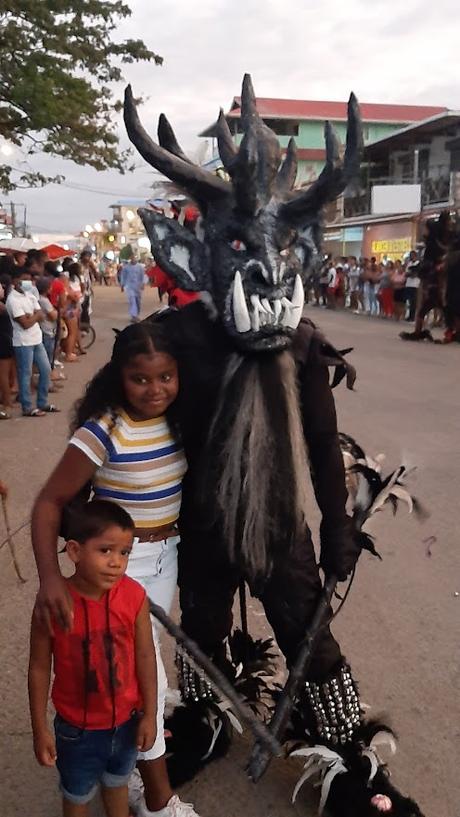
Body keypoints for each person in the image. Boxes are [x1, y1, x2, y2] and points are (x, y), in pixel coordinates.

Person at [119, 76, 423, 815]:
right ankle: (208, 712)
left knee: (306, 632)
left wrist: (338, 523)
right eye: (237, 243)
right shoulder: (176, 341)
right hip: (202, 522)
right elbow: (115, 422)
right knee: (202, 624)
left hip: (280, 526)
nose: (264, 260)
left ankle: (348, 751)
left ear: (306, 251)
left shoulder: (302, 343)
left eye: (283, 243)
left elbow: (322, 444)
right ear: (192, 256)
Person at [31, 322, 199, 817]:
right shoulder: (104, 429)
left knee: (141, 668)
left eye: (166, 376)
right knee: (145, 676)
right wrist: (49, 581)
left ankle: (120, 768)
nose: (155, 389)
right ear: (118, 378)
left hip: (166, 555)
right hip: (118, 567)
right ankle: (160, 798)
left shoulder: (180, 420)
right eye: (140, 379)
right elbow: (49, 503)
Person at [28, 500, 157, 817]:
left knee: (118, 785)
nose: (117, 562)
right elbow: (39, 667)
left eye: (124, 552)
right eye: (105, 550)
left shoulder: (134, 596)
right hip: (77, 731)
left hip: (127, 722)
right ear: (74, 551)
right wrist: (39, 729)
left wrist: (151, 713)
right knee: (77, 796)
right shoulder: (54, 604)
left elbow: (145, 655)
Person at [5, 267, 58, 417]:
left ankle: (42, 402)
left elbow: (39, 314)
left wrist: (31, 316)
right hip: (23, 342)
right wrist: (34, 317)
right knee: (25, 374)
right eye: (24, 279)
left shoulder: (30, 295)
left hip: (36, 338)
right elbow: (25, 323)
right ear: (15, 281)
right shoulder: (12, 300)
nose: (28, 282)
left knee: (46, 369)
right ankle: (27, 407)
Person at [0, 273, 14, 418]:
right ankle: (7, 402)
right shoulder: (2, 307)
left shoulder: (2, 307)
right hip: (5, 341)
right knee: (4, 375)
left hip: (4, 341)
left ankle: (7, 402)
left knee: (3, 375)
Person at [36, 277, 58, 367]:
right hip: (47, 330)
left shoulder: (41, 299)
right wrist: (57, 311)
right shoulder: (44, 301)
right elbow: (53, 316)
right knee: (48, 354)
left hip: (46, 329)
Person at [120, 256, 145, 322]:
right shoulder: (126, 267)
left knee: (138, 302)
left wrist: (143, 284)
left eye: (135, 258)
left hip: (138, 287)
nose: (133, 259)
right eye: (132, 258)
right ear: (130, 259)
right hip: (129, 286)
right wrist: (122, 285)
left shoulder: (140, 267)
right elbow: (123, 276)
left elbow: (143, 276)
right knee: (132, 300)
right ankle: (134, 316)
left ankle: (136, 314)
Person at [405, 250, 421, 322]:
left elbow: (417, 274)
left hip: (415, 285)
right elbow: (406, 272)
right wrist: (409, 274)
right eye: (410, 255)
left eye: (412, 255)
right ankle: (409, 316)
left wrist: (412, 273)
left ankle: (413, 317)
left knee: (414, 301)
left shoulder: (419, 263)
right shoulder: (409, 263)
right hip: (409, 284)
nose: (411, 257)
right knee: (410, 301)